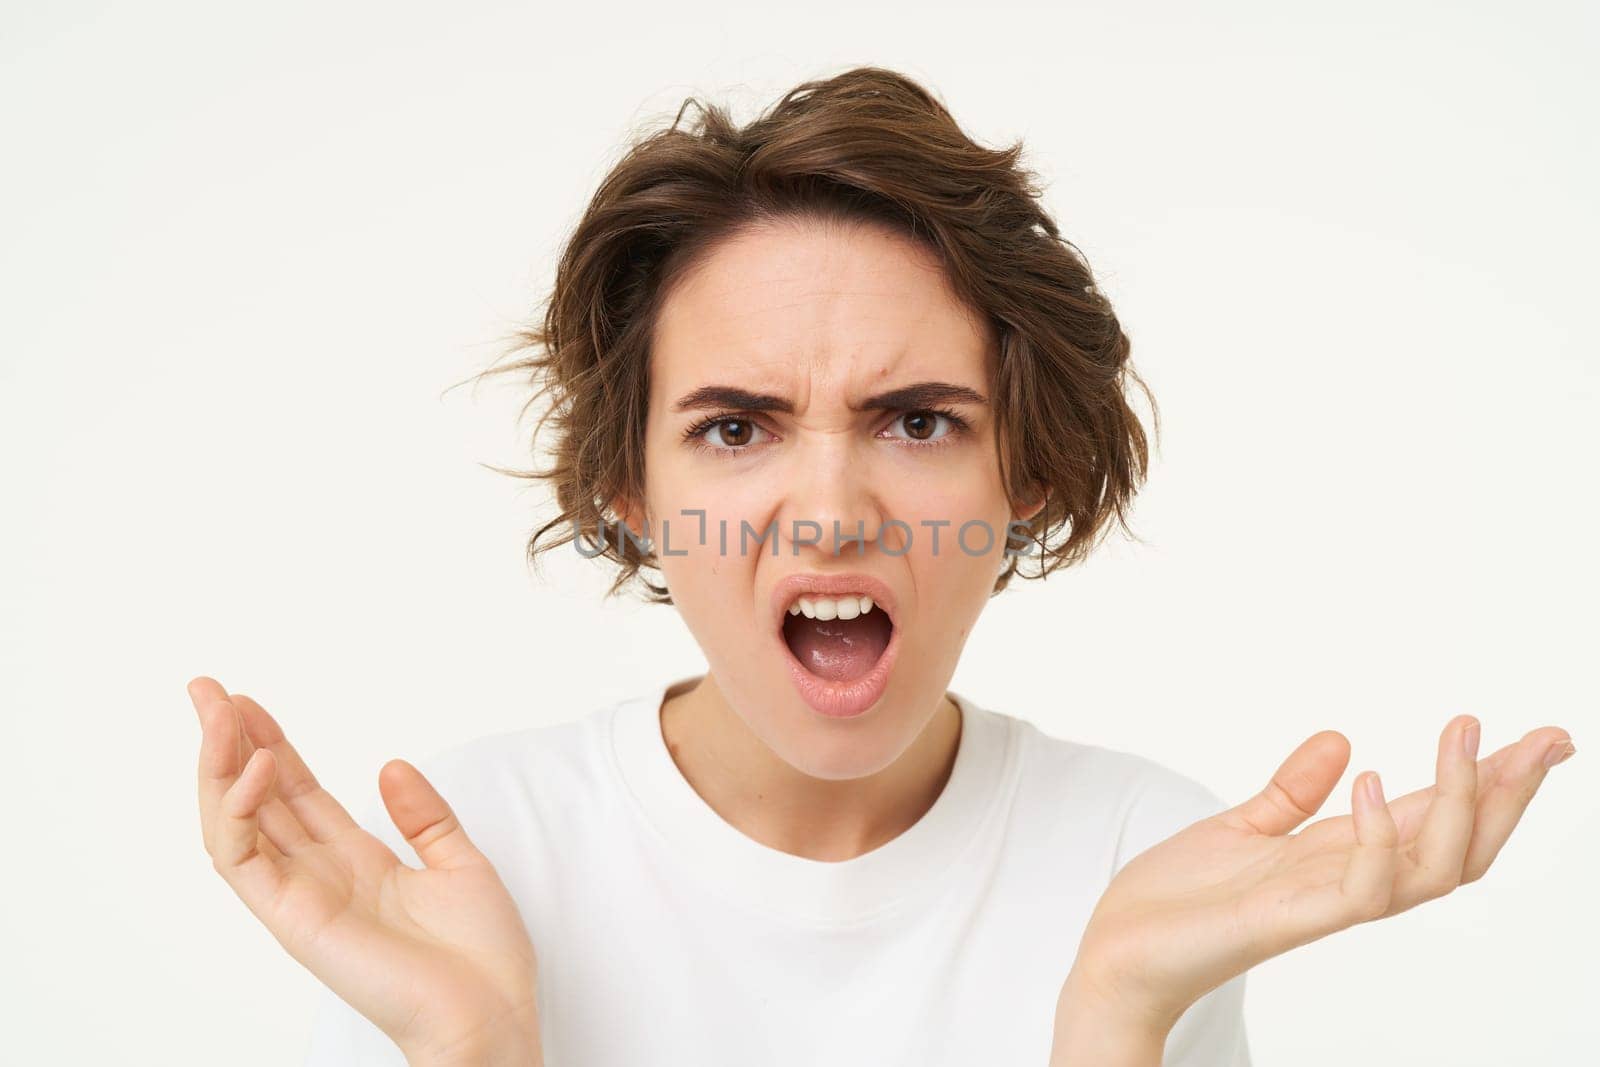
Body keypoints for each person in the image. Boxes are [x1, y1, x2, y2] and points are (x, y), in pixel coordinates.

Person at [187, 66, 1577, 1066]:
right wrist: (473, 1049)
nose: (831, 511)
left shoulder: (1146, 862)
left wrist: (1115, 1014)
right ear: (632, 488)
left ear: (1022, 470)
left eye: (918, 422)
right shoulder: (480, 855)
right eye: (735, 428)